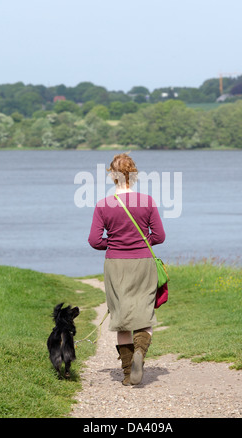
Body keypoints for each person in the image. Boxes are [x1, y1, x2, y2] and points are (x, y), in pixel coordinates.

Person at [88, 153, 166, 386]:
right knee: (144, 314)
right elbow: (160, 236)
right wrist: (141, 243)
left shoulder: (103, 205)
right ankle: (141, 351)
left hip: (116, 264)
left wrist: (112, 244)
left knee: (121, 318)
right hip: (143, 262)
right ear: (135, 174)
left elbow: (94, 240)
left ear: (111, 175)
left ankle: (126, 372)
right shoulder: (147, 201)